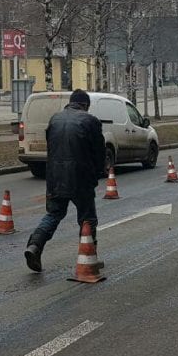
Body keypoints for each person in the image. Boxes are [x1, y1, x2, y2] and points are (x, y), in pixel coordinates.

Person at [24, 90, 105, 272]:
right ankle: (89, 258)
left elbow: (51, 147)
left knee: (53, 214)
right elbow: (99, 153)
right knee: (87, 219)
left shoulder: (55, 119)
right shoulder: (90, 121)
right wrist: (99, 172)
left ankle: (34, 246)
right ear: (85, 105)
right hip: (81, 178)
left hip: (55, 177)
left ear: (70, 102)